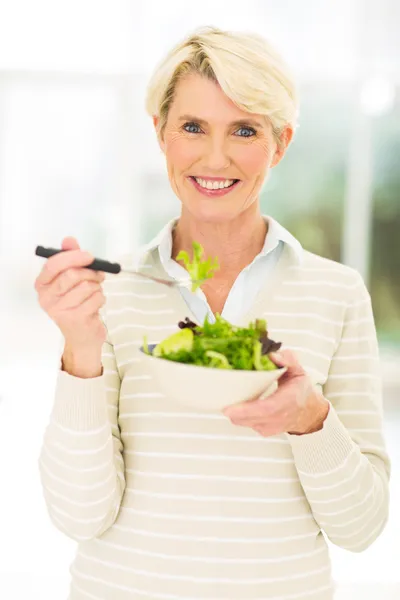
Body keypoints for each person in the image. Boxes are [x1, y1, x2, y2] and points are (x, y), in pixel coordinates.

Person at [35, 26, 390, 600]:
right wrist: (80, 348)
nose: (215, 157)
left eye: (245, 130)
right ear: (161, 135)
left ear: (281, 143)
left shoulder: (337, 293)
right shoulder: (110, 294)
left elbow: (362, 527)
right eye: (193, 127)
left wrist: (310, 418)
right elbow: (79, 515)